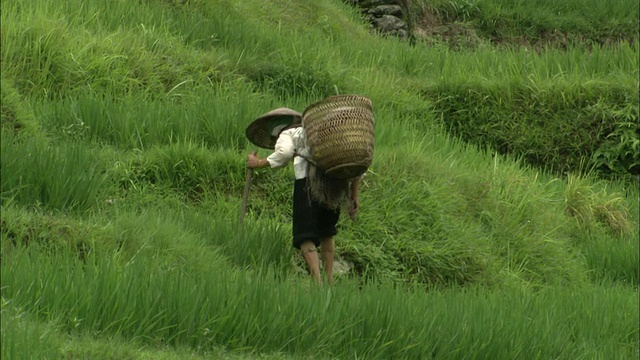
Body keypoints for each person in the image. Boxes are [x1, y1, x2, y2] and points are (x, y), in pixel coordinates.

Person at [245, 108, 361, 286]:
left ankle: (318, 285)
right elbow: (354, 165)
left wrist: (259, 163)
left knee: (305, 236)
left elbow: (283, 153)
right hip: (334, 184)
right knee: (326, 233)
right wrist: (354, 195)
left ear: (275, 129)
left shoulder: (289, 133)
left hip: (307, 184)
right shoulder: (322, 135)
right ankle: (329, 282)